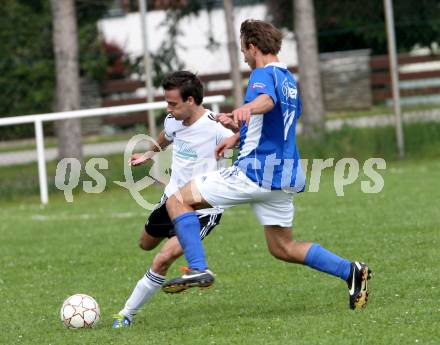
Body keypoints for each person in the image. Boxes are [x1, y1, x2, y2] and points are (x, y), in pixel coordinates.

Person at [161, 20, 371, 310]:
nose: (244, 57)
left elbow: (265, 101)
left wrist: (247, 107)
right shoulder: (288, 79)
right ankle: (351, 271)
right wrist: (236, 135)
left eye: (243, 50)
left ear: (252, 46)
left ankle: (198, 267)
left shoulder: (262, 73)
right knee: (282, 248)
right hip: (283, 175)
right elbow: (273, 124)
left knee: (177, 201)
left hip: (255, 173)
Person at [112, 71, 235, 328]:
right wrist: (149, 154)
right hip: (171, 200)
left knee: (163, 258)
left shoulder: (216, 128)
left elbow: (242, 144)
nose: (168, 109)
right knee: (145, 244)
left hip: (202, 209)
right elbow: (165, 138)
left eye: (173, 103)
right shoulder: (173, 120)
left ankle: (126, 314)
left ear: (191, 100)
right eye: (167, 103)